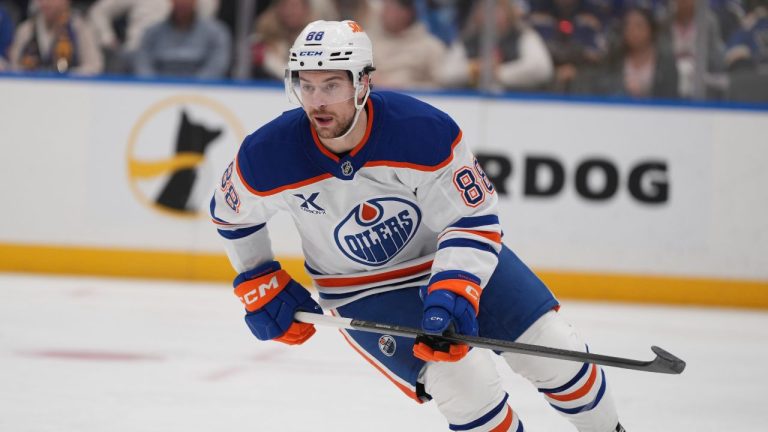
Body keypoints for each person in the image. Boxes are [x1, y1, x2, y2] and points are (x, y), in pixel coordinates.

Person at [211, 20, 625, 432]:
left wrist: (454, 288)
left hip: (448, 258)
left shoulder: (422, 131)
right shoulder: (267, 154)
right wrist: (258, 277)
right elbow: (230, 213)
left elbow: (473, 218)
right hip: (363, 291)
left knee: (556, 353)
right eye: (307, 85)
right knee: (467, 387)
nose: (317, 101)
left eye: (332, 85)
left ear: (362, 84)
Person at [438, 0, 554, 91]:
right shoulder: (467, 40)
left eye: (496, 9)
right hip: (471, 103)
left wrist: (498, 72)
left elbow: (541, 69)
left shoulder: (524, 36)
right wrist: (476, 69)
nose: (490, 15)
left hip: (519, 102)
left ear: (508, 13)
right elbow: (445, 74)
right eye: (484, 9)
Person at [579, 7, 679, 98]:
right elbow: (600, 87)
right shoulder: (613, 58)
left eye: (638, 26)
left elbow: (670, 95)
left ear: (651, 30)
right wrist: (622, 89)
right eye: (628, 25)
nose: (632, 30)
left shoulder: (666, 63)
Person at [132, 0, 230, 79]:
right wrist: (157, 85)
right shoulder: (152, 33)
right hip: (157, 92)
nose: (183, 2)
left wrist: (194, 85)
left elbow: (217, 65)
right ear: (171, 1)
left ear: (195, 2)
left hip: (202, 93)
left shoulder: (216, 33)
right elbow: (143, 64)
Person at [364, 0, 447, 89]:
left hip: (413, 98)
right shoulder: (366, 41)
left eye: (389, 8)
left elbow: (442, 85)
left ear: (406, 13)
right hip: (371, 97)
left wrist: (403, 86)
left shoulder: (430, 46)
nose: (382, 13)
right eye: (384, 7)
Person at [8, 0, 103, 75]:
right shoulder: (27, 30)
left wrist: (66, 78)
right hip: (29, 91)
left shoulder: (80, 28)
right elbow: (13, 66)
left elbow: (94, 66)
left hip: (70, 92)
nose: (46, 3)